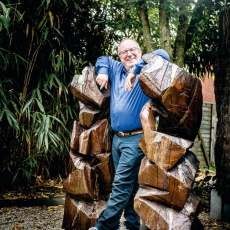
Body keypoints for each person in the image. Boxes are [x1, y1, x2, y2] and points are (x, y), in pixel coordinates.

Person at [89, 38, 170, 230]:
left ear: (140, 51)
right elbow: (102, 59)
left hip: (137, 138)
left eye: (133, 50)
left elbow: (162, 54)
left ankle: (105, 226)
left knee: (121, 185)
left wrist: (135, 71)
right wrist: (102, 72)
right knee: (131, 185)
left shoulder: (146, 69)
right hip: (117, 138)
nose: (128, 54)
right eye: (123, 52)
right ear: (120, 56)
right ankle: (132, 225)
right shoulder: (116, 69)